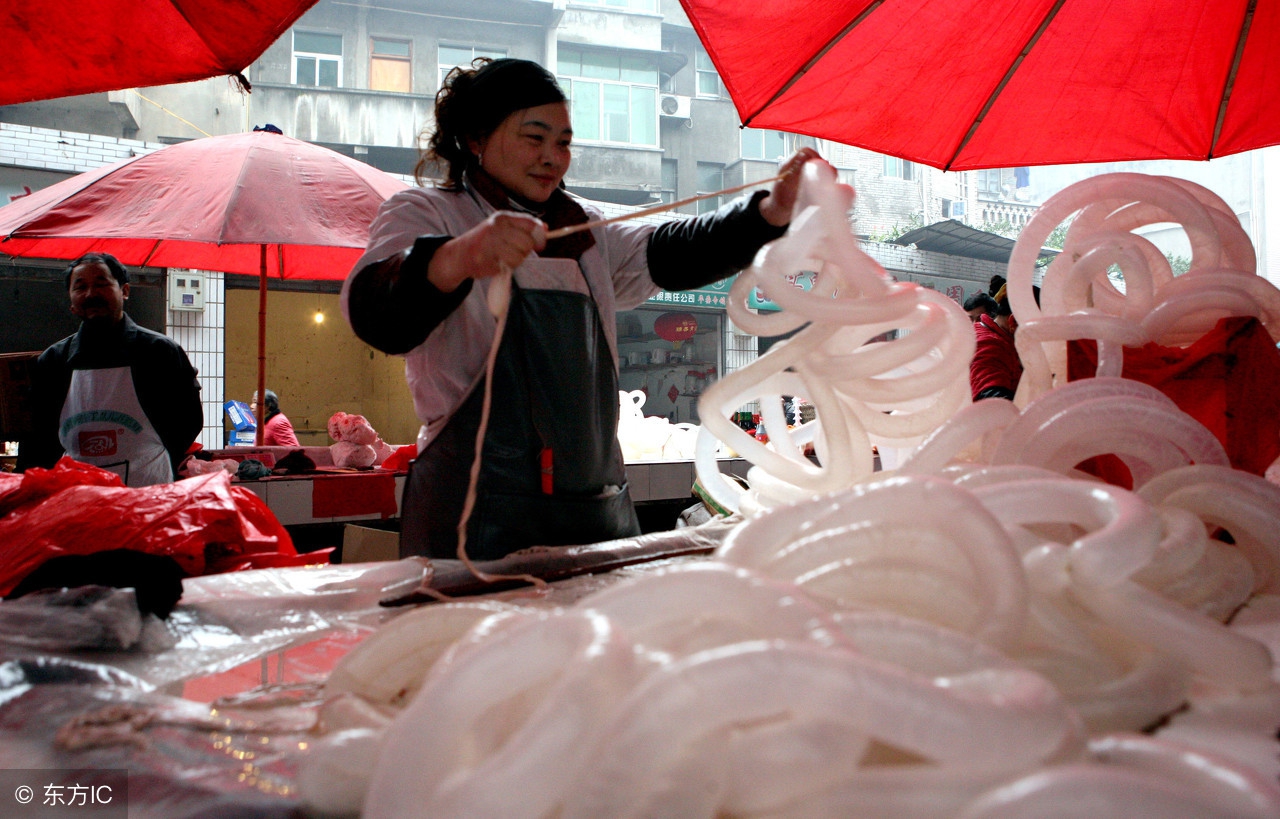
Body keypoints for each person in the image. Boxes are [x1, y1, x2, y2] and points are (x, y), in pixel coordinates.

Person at [342, 57, 821, 561]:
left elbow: (672, 250)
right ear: (476, 137)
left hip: (594, 513)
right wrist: (457, 257)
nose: (553, 157)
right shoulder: (427, 213)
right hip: (474, 521)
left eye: (564, 142)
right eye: (535, 137)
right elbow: (377, 316)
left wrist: (770, 211)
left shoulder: (585, 229)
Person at [18, 253, 203, 486]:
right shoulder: (54, 361)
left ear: (124, 290)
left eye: (101, 284)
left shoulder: (160, 352)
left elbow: (188, 421)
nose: (91, 294)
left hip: (148, 489)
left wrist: (147, 455)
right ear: (72, 302)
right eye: (80, 287)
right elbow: (39, 437)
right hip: (78, 493)